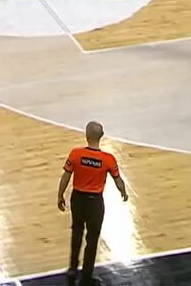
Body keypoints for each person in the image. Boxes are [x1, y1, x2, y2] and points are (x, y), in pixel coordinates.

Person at [57, 121, 129, 286]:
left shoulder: (76, 154)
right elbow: (118, 180)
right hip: (95, 202)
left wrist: (60, 195)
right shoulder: (108, 159)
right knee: (92, 239)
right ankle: (86, 276)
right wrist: (123, 192)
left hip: (78, 199)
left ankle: (72, 268)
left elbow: (66, 176)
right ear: (101, 136)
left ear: (86, 135)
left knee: (76, 232)